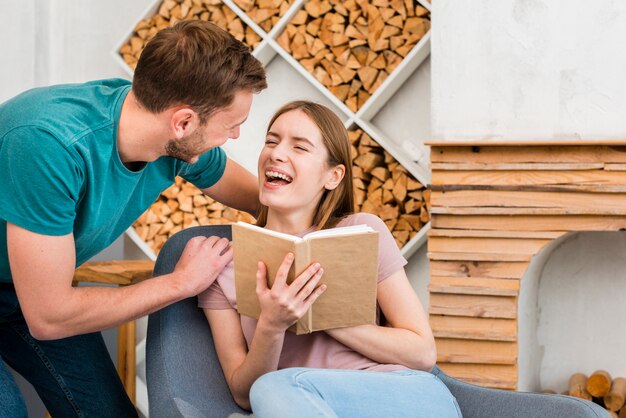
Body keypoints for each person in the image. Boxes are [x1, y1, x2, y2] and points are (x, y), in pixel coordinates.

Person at [0, 20, 267, 417]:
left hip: (26, 290)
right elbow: (49, 317)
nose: (236, 136)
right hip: (42, 304)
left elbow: (259, 200)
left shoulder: (168, 136)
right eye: (231, 126)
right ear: (184, 122)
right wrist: (180, 283)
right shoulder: (49, 145)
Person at [198, 101, 461, 417]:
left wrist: (319, 318)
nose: (277, 154)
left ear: (333, 176)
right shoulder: (222, 264)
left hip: (405, 396)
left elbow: (421, 353)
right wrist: (272, 325)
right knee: (267, 391)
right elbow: (242, 393)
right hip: (295, 403)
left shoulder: (361, 231)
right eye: (271, 140)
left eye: (300, 147)